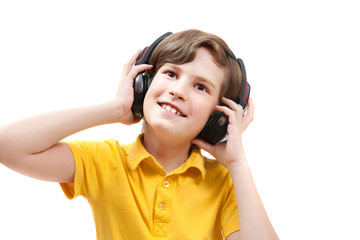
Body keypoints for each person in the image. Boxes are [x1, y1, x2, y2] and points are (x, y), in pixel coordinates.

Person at [0, 29, 278, 239]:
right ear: (142, 85)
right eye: (171, 73)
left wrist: (238, 164)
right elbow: (7, 145)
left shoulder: (226, 183)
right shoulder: (105, 161)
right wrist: (115, 109)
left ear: (217, 117)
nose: (178, 90)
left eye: (201, 87)